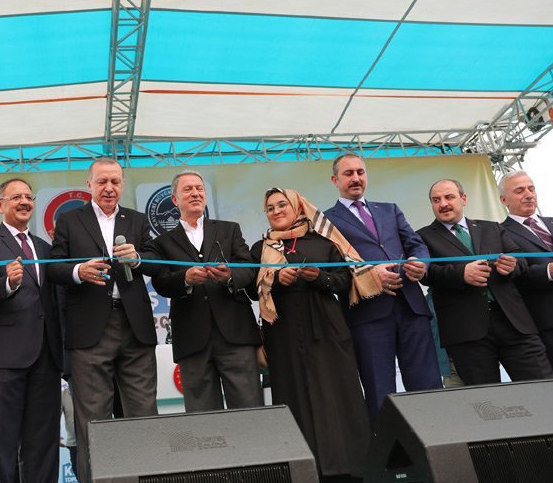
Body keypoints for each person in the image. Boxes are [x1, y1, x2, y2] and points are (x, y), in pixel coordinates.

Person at [48, 157, 159, 482]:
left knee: (143, 412)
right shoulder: (70, 220)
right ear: (89, 185)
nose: (109, 188)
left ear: (122, 185)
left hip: (135, 328)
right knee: (92, 419)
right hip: (89, 330)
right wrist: (77, 271)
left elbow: (156, 261)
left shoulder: (137, 220)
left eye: (115, 181)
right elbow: (54, 266)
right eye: (102, 181)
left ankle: (147, 477)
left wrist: (138, 259)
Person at [252, 188, 370, 481]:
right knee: (292, 395)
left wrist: (319, 277)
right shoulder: (260, 248)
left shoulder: (324, 242)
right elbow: (251, 288)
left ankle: (348, 467)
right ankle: (303, 470)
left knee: (336, 393)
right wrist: (275, 279)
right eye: (270, 208)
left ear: (298, 207)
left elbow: (344, 281)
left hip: (326, 329)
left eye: (282, 204)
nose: (276, 211)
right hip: (283, 334)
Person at [324, 153, 441, 423]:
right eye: (348, 173)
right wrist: (368, 275)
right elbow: (332, 268)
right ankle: (389, 448)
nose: (356, 178)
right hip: (368, 314)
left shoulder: (390, 209)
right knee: (380, 392)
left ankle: (438, 439)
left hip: (411, 307)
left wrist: (419, 263)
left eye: (360, 172)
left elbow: (415, 244)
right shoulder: (326, 220)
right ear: (334, 180)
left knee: (428, 386)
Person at [0, 178, 63, 482]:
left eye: (28, 197)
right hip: (3, 357)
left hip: (46, 357)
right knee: (1, 442)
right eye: (16, 197)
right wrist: (8, 282)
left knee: (44, 441)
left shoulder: (46, 248)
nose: (24, 202)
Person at [418, 179, 553, 385]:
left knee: (543, 388)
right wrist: (461, 273)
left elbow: (520, 260)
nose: (443, 204)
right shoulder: (423, 236)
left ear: (463, 199)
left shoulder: (491, 227)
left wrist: (512, 266)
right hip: (467, 331)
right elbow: (426, 274)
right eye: (436, 200)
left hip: (514, 323)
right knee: (487, 400)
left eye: (449, 197)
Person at [148, 171, 262, 412]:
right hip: (192, 338)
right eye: (188, 189)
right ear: (175, 199)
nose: (195, 193)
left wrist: (229, 276)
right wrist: (185, 279)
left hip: (236, 333)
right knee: (203, 417)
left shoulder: (229, 230)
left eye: (199, 188)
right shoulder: (162, 242)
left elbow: (248, 269)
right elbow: (161, 282)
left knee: (250, 410)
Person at [499, 170, 553, 371]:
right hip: (547, 322)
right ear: (504, 199)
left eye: (531, 189)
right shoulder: (499, 233)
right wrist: (548, 271)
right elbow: (512, 276)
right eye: (520, 190)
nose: (529, 194)